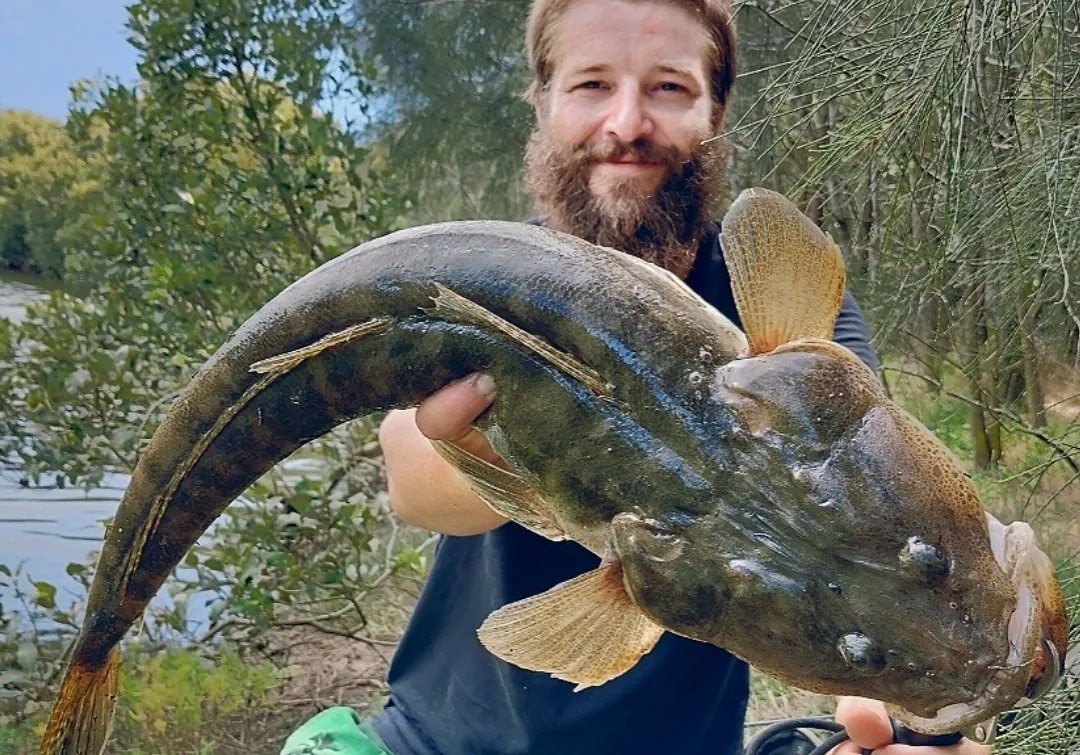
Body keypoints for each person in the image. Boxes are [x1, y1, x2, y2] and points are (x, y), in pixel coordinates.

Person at [281, 0, 992, 753]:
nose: (627, 123)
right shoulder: (478, 284)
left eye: (669, 88)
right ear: (542, 104)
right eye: (591, 84)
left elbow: (866, 530)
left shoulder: (790, 321)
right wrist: (509, 449)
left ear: (718, 110)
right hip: (433, 738)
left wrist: (914, 720)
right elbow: (407, 478)